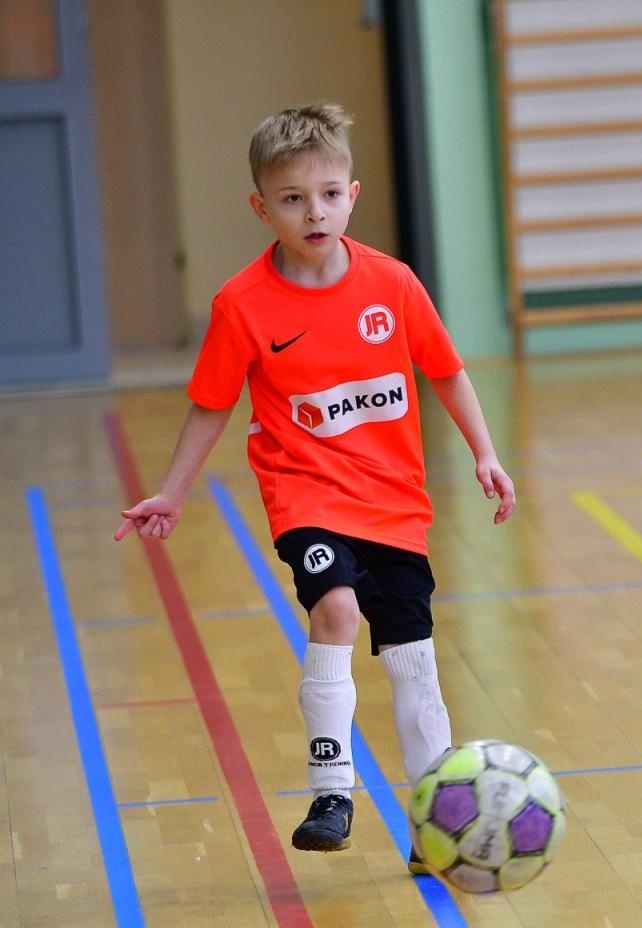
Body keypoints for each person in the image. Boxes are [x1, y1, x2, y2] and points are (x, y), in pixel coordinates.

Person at [114, 103, 515, 873]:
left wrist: (485, 454)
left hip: (393, 502)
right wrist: (171, 491)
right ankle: (332, 791)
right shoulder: (243, 305)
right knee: (333, 606)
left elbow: (447, 371)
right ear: (261, 207)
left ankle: (433, 821)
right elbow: (211, 405)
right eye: (294, 199)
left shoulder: (392, 285)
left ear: (353, 195)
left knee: (410, 655)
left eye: (329, 194)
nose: (314, 211)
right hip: (306, 495)